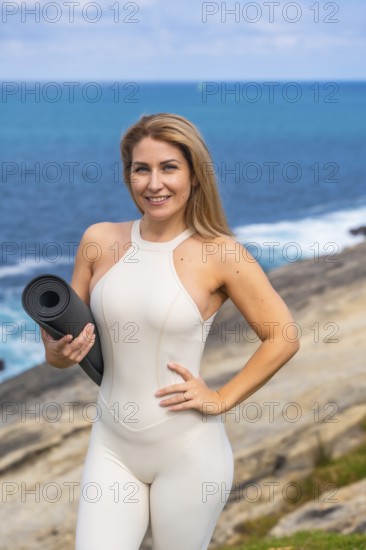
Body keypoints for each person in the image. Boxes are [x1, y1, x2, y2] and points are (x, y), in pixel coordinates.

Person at [41, 113, 300, 549]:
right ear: (128, 175)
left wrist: (221, 398)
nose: (154, 183)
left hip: (189, 452)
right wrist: (57, 352)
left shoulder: (221, 253)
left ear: (195, 175)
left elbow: (284, 336)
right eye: (142, 169)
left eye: (169, 167)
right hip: (112, 446)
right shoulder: (98, 240)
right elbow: (58, 349)